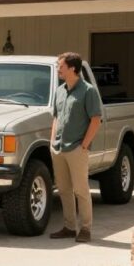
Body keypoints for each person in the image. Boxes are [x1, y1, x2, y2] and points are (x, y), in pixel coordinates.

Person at [49, 52, 102, 243]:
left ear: (72, 68)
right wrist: (52, 141)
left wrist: (85, 145)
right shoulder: (59, 91)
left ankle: (85, 229)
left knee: (81, 190)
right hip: (58, 148)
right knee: (64, 189)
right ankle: (69, 227)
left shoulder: (88, 91)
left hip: (77, 148)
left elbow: (96, 120)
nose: (58, 69)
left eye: (60, 66)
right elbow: (56, 117)